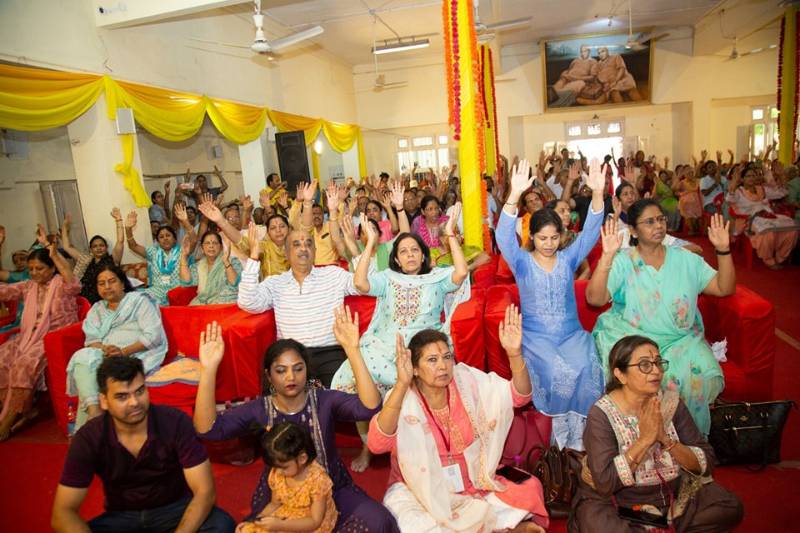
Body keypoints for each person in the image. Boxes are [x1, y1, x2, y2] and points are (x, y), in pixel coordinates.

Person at [194, 315, 400, 532]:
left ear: (306, 371)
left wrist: (353, 350)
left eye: (298, 368)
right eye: (281, 370)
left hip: (331, 486)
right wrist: (208, 370)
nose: (291, 376)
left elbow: (370, 407)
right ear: (269, 376)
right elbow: (208, 429)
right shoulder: (261, 409)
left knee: (378, 521)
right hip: (282, 493)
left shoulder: (324, 400)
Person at [368, 306, 548, 532]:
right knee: (414, 525)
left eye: (447, 357)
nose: (442, 366)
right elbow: (376, 444)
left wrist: (514, 354)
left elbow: (520, 396)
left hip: (473, 481)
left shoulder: (467, 381)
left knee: (530, 488)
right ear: (414, 369)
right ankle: (497, 527)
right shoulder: (403, 397)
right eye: (432, 360)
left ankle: (483, 524)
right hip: (419, 490)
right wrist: (402, 384)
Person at [331, 210, 468, 471]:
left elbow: (461, 273)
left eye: (415, 250)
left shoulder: (437, 279)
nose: (410, 255)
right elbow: (360, 283)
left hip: (420, 349)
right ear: (396, 258)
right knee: (360, 381)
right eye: (403, 251)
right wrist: (370, 243)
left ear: (423, 255)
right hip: (383, 346)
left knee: (423, 376)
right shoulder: (387, 279)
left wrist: (450, 234)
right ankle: (368, 447)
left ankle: (420, 449)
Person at [569, 335, 743, 532]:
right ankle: (663, 527)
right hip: (622, 504)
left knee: (729, 507)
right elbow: (605, 482)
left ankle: (659, 526)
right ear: (620, 375)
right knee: (599, 524)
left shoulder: (670, 403)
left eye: (658, 363)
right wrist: (644, 440)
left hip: (673, 498)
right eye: (644, 365)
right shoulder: (602, 414)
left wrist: (665, 440)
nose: (656, 371)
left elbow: (706, 462)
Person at [587, 204, 735, 435]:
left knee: (703, 376)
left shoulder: (686, 260)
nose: (658, 225)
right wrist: (607, 256)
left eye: (661, 219)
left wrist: (723, 251)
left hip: (682, 340)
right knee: (644, 376)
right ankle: (647, 443)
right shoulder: (624, 261)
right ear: (633, 231)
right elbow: (595, 299)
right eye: (649, 222)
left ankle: (687, 444)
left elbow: (724, 288)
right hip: (636, 339)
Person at [52, 356, 235, 532]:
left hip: (174, 511)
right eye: (122, 397)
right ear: (104, 401)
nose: (134, 402)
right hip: (121, 517)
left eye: (139, 391)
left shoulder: (175, 422)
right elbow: (63, 513)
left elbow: (205, 492)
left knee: (221, 525)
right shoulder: (89, 438)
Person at [497, 158, 606, 450]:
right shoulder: (521, 262)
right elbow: (503, 236)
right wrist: (513, 195)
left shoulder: (569, 258)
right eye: (542, 237)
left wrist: (597, 194)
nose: (548, 243)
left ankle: (581, 443)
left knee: (586, 366)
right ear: (531, 236)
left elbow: (591, 233)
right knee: (558, 373)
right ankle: (556, 443)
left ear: (562, 236)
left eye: (554, 237)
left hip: (572, 335)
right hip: (537, 339)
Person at [237, 224, 360, 387]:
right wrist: (253, 257)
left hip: (330, 352)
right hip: (291, 355)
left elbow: (365, 285)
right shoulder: (275, 283)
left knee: (343, 397)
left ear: (315, 251)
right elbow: (248, 302)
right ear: (286, 253)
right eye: (297, 244)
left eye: (309, 244)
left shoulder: (334, 274)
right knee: (275, 394)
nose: (304, 248)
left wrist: (355, 251)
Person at [0, 229, 80, 440]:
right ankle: (16, 410)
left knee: (24, 364)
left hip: (54, 339)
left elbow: (72, 279)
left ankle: (6, 423)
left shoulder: (63, 285)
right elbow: (4, 291)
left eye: (39, 268)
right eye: (31, 269)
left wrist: (54, 253)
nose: (34, 273)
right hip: (28, 337)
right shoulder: (28, 286)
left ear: (52, 268)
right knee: (2, 357)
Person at [66, 264, 167, 430]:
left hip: (135, 355)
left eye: (112, 281)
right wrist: (105, 349)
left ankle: (85, 430)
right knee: (83, 356)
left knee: (89, 374)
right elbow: (92, 340)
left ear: (122, 283)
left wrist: (123, 352)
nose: (107, 287)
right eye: (101, 283)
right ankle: (94, 411)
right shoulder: (96, 309)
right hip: (106, 355)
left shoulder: (139, 302)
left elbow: (153, 336)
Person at [237, 422, 338, 533]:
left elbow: (315, 522)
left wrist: (281, 525)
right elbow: (274, 504)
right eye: (275, 467)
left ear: (302, 459)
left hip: (309, 523)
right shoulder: (278, 473)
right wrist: (257, 521)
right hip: (286, 515)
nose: (278, 472)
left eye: (284, 467)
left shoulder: (317, 480)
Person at [200, 196, 291, 280]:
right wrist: (221, 221)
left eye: (282, 226)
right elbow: (241, 241)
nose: (278, 230)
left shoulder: (295, 245)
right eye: (273, 228)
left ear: (289, 228)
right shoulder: (265, 248)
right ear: (268, 232)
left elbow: (299, 225)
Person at [727, 164, 799, 269]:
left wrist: (781, 176)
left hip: (768, 216)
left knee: (792, 229)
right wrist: (734, 181)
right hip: (749, 220)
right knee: (767, 232)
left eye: (753, 176)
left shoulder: (762, 189)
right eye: (748, 176)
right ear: (742, 179)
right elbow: (729, 199)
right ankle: (768, 260)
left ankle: (780, 257)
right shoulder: (739, 191)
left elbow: (782, 193)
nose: (751, 178)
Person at [124, 206, 196, 305]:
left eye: (168, 235)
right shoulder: (153, 252)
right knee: (132, 299)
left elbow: (193, 240)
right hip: (156, 292)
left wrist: (185, 221)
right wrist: (128, 229)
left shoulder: (183, 251)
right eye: (161, 237)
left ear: (175, 239)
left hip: (176, 292)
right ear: (158, 241)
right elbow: (133, 246)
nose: (165, 238)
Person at [61, 210, 124, 304]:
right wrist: (64, 227)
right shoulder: (86, 260)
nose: (98, 248)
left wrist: (118, 220)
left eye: (101, 245)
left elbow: (120, 241)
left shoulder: (113, 259)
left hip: (100, 301)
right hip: (81, 300)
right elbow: (67, 247)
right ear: (91, 249)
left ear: (106, 247)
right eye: (95, 246)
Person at [179, 231, 241, 305]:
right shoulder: (198, 265)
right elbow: (186, 282)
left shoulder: (232, 261)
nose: (211, 246)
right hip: (203, 303)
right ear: (202, 248)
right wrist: (183, 255)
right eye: (207, 243)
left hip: (225, 303)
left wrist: (226, 262)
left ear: (221, 247)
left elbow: (235, 283)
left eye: (215, 243)